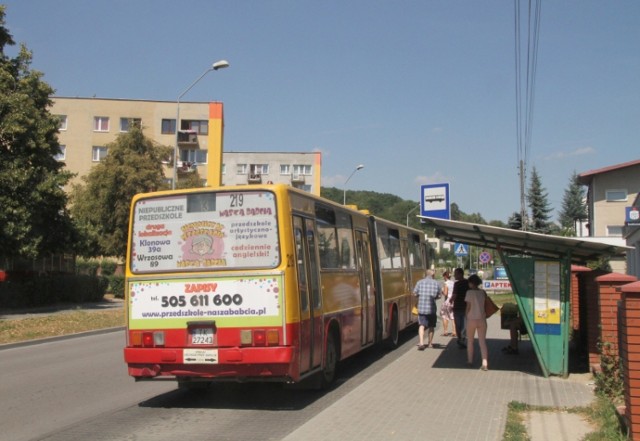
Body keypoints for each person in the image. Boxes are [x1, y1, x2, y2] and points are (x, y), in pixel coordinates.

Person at [413, 269, 442, 350]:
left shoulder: (419, 282)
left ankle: (421, 343)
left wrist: (420, 296)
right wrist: (435, 297)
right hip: (432, 308)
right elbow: (440, 295)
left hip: (421, 308)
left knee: (421, 325)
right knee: (431, 326)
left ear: (425, 274)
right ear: (433, 275)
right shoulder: (437, 283)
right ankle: (430, 343)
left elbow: (415, 293)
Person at [465, 274, 489, 371]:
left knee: (470, 341)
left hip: (471, 319)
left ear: (471, 283)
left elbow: (468, 306)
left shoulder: (469, 293)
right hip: (482, 319)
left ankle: (470, 361)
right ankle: (485, 363)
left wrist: (466, 315)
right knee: (482, 342)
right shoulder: (483, 292)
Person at [449, 268, 469, 349]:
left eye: (456, 274)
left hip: (458, 307)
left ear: (460, 274)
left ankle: (460, 338)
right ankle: (462, 339)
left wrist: (450, 301)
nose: (454, 275)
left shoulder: (457, 284)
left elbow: (454, 295)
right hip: (466, 306)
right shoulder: (468, 283)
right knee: (464, 324)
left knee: (458, 324)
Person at [439, 271, 455, 337]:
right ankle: (454, 331)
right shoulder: (453, 283)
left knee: (444, 315)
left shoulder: (446, 283)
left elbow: (445, 293)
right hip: (453, 301)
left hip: (447, 301)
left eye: (443, 277)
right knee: (453, 317)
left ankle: (445, 331)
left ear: (445, 277)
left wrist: (442, 291)